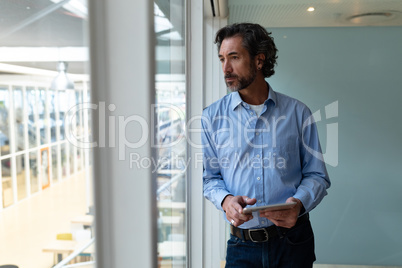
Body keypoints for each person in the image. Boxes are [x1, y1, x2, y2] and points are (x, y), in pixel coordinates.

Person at [201, 23, 331, 267]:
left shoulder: (298, 113)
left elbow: (317, 175)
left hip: (293, 244)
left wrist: (298, 204)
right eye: (221, 59)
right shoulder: (211, 118)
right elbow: (209, 178)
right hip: (242, 247)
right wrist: (226, 200)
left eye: (234, 57)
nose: (225, 69)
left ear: (259, 60)